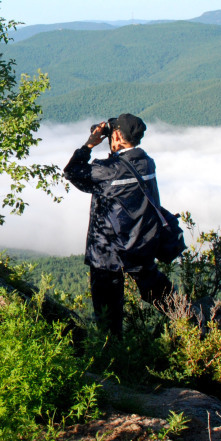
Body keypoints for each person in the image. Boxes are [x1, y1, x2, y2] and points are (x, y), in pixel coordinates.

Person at [63, 113, 173, 335]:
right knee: (159, 294)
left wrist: (90, 144)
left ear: (118, 136)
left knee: (108, 315)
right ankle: (191, 319)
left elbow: (72, 172)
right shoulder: (146, 162)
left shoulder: (109, 170)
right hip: (140, 244)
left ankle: (112, 355)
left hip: (108, 252)